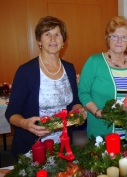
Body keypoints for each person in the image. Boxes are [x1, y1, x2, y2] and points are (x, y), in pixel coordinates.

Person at [5, 16, 86, 160]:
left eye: (57, 34)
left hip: (63, 144)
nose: (53, 39)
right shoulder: (26, 71)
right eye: (47, 34)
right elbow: (11, 113)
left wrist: (79, 110)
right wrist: (25, 123)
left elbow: (74, 101)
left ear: (63, 41)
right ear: (39, 41)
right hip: (33, 146)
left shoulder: (69, 68)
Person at [78, 16, 127, 142]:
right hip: (101, 135)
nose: (119, 41)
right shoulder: (94, 62)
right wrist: (97, 112)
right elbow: (83, 92)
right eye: (114, 36)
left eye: (124, 37)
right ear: (108, 38)